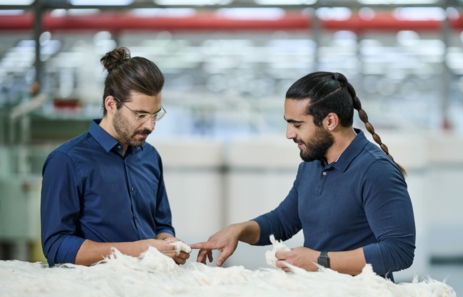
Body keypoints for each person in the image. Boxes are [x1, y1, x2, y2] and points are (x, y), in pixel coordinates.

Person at [191, 72, 415, 281]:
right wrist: (238, 230)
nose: (289, 134)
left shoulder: (376, 171)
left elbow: (398, 251)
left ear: (330, 121)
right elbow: (283, 221)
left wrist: (319, 260)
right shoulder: (312, 165)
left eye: (297, 125)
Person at [40, 47, 189, 267]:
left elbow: (161, 225)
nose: (150, 126)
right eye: (140, 115)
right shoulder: (66, 161)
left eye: (155, 115)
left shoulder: (150, 156)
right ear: (111, 105)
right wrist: (139, 250)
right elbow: (56, 247)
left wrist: (168, 243)